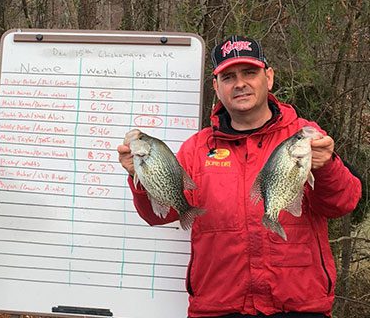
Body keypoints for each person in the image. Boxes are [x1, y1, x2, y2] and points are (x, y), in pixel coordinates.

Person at [118, 35, 361, 318]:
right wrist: (141, 179)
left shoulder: (305, 136)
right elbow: (159, 215)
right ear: (216, 87)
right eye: (229, 76)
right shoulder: (196, 149)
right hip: (218, 305)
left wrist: (327, 166)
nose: (240, 83)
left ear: (268, 77)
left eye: (250, 72)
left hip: (298, 305)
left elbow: (342, 204)